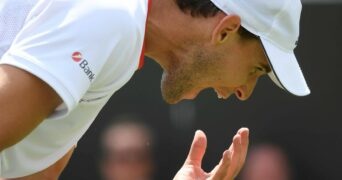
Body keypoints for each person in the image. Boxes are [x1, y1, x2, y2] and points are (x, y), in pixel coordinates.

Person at [0, 0, 310, 179]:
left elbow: (33, 172)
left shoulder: (122, 30)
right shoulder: (115, 18)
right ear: (225, 31)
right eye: (256, 70)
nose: (245, 91)